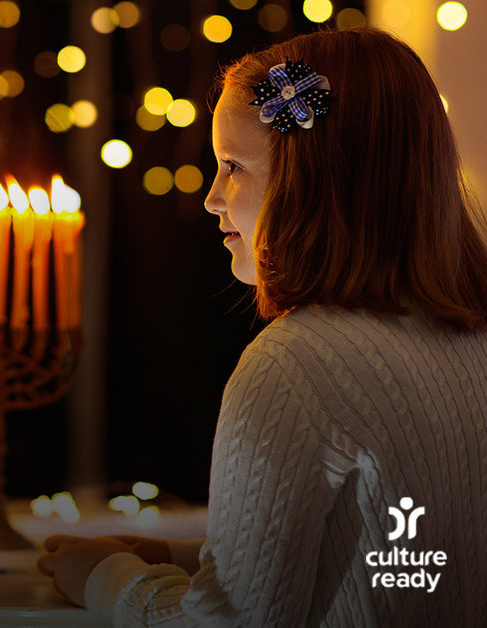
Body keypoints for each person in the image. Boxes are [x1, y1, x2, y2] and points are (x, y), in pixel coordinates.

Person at [38, 27, 487, 626]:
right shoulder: (473, 341)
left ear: (314, 182)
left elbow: (227, 625)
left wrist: (106, 579)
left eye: (234, 166)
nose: (213, 198)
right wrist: (184, 556)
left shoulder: (300, 363)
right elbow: (405, 563)